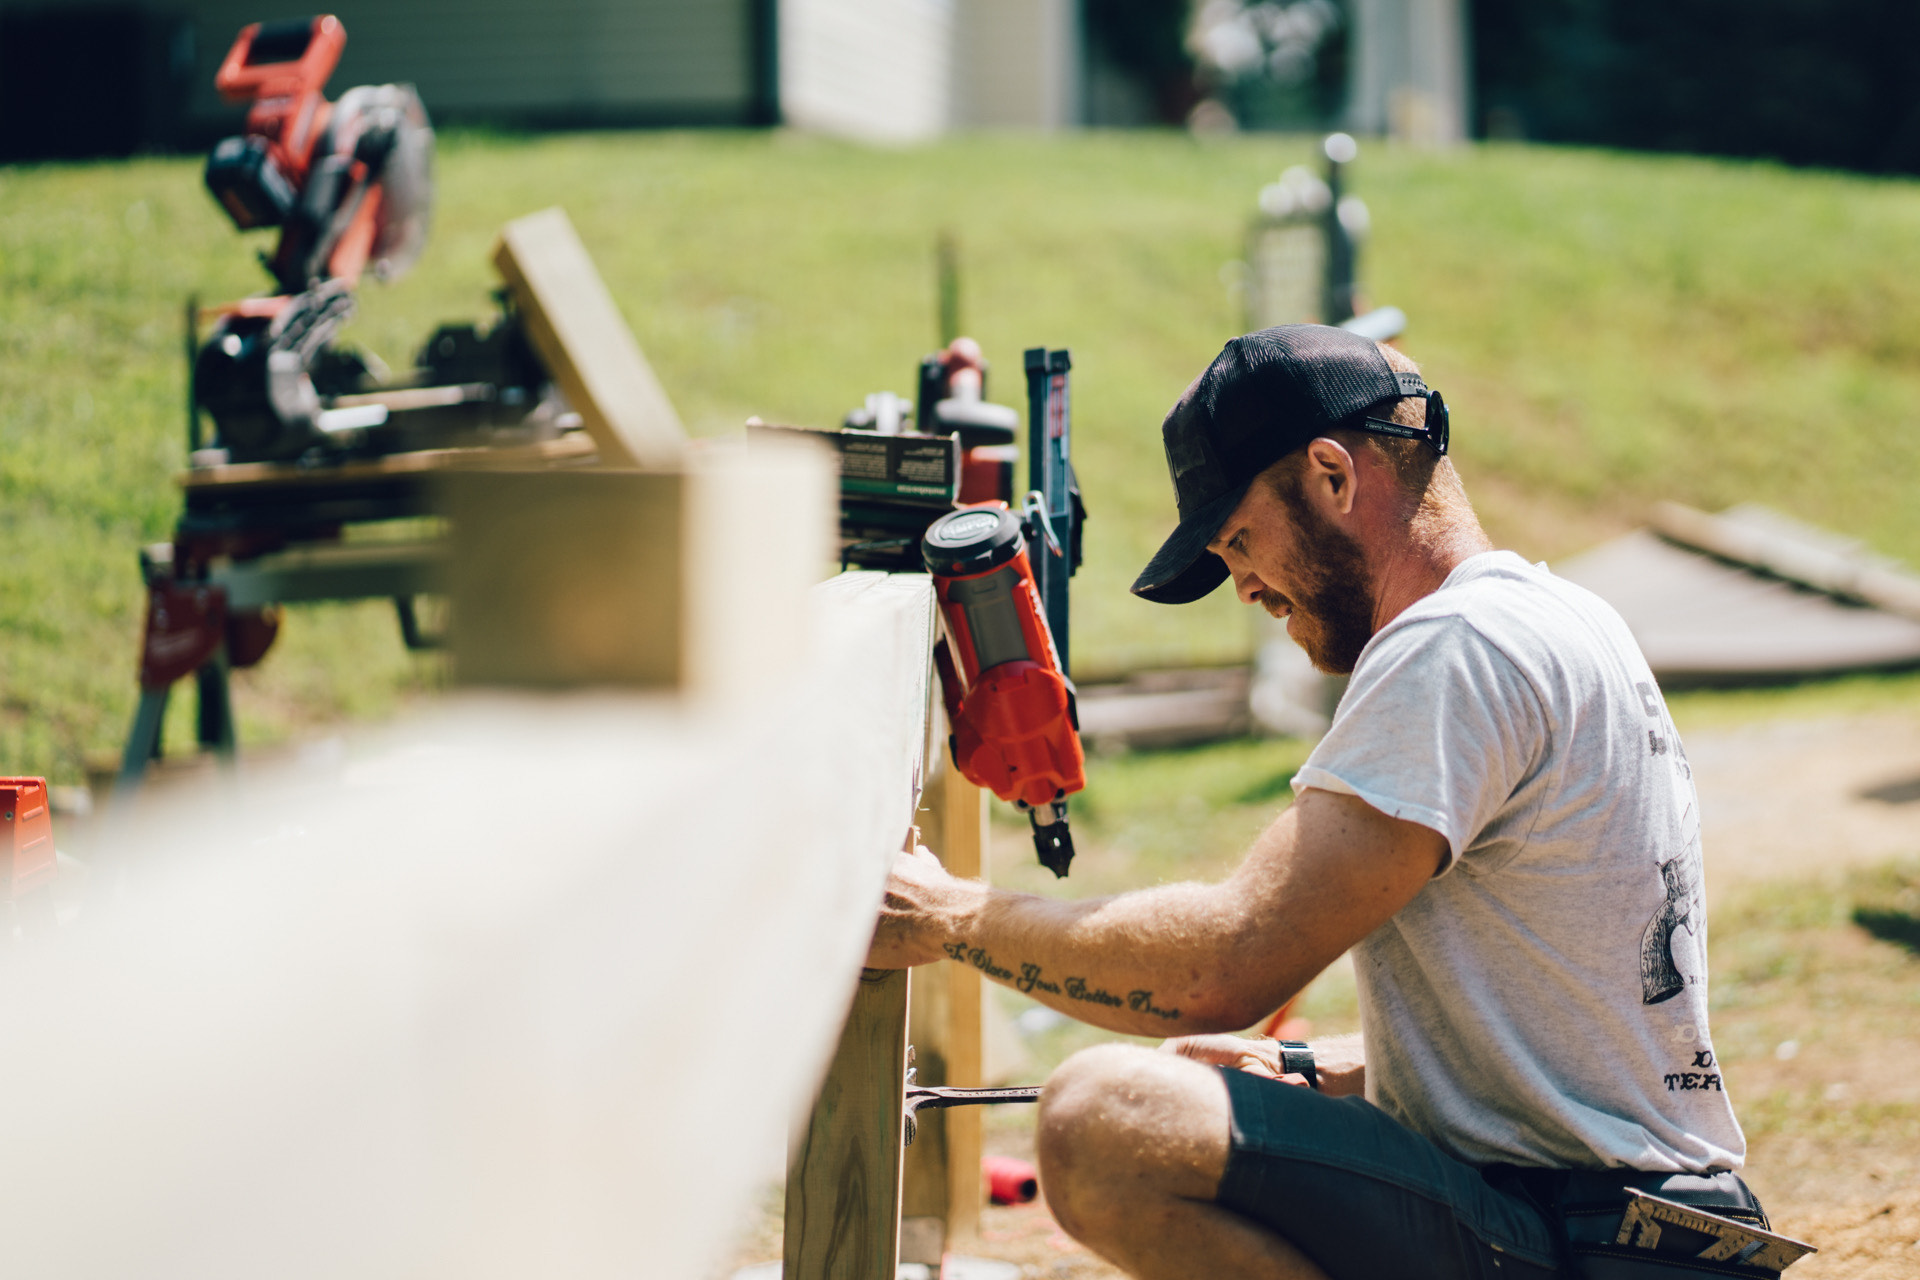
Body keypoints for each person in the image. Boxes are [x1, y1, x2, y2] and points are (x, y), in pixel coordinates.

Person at [870, 325, 1778, 1279]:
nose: (1243, 587)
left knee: (1106, 1122)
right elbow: (1573, 1040)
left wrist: (947, 915)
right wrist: (1313, 1070)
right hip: (1648, 1233)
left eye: (1239, 541)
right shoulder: (1562, 620)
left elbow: (1220, 971)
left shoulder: (1453, 649)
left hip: (1582, 1237)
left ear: (1333, 477)